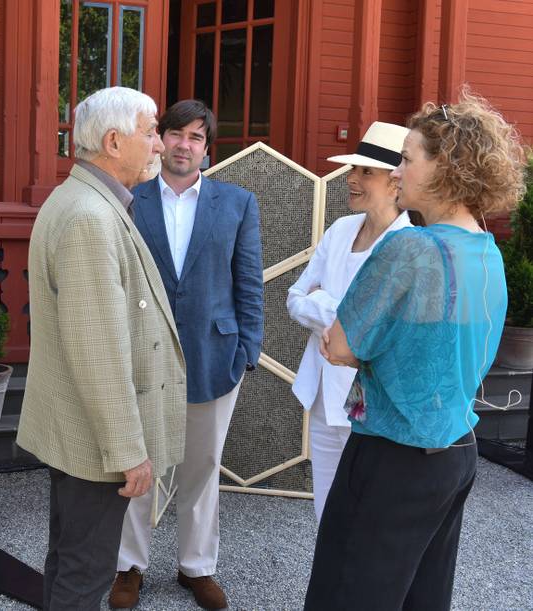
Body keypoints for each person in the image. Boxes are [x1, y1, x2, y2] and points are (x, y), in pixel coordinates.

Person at [304, 90, 526, 610]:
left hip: (392, 452)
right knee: (421, 599)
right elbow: (446, 339)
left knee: (348, 596)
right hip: (455, 452)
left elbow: (338, 344)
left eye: (406, 158)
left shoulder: (411, 247)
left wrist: (355, 345)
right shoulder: (487, 250)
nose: (396, 172)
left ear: (447, 166)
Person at [16, 86, 187, 611]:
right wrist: (128, 451)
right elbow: (97, 351)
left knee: (70, 558)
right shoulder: (92, 216)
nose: (160, 145)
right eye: (151, 131)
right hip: (93, 441)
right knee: (86, 571)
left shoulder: (79, 200)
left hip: (74, 428)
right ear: (114, 142)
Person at [110, 99, 263, 610]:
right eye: (176, 133)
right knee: (140, 466)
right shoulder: (131, 199)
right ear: (162, 139)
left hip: (215, 357)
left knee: (202, 467)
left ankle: (197, 567)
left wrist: (248, 351)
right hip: (143, 357)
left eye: (196, 137)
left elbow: (249, 284)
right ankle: (129, 565)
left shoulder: (237, 203)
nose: (184, 145)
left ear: (206, 147)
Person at [287, 121, 412, 524]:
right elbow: (294, 299)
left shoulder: (409, 244)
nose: (351, 179)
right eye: (353, 170)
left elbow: (385, 330)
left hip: (372, 403)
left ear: (395, 182)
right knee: (327, 508)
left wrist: (327, 305)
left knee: (368, 511)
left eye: (365, 172)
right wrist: (343, 314)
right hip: (325, 396)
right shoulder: (341, 229)